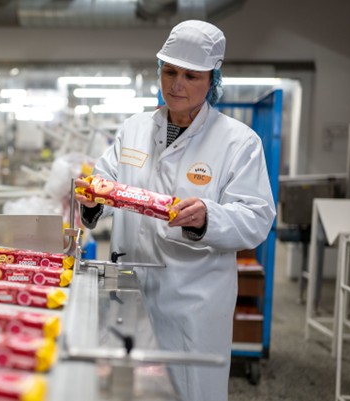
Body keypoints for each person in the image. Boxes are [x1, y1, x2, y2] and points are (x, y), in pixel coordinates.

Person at [74, 20, 276, 401]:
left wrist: (208, 217)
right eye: (169, 71)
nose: (176, 84)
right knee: (126, 389)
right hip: (128, 287)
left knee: (188, 391)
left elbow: (257, 217)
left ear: (212, 81)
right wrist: (90, 200)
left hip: (191, 298)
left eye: (190, 75)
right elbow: (104, 179)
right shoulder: (134, 129)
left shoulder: (238, 142)